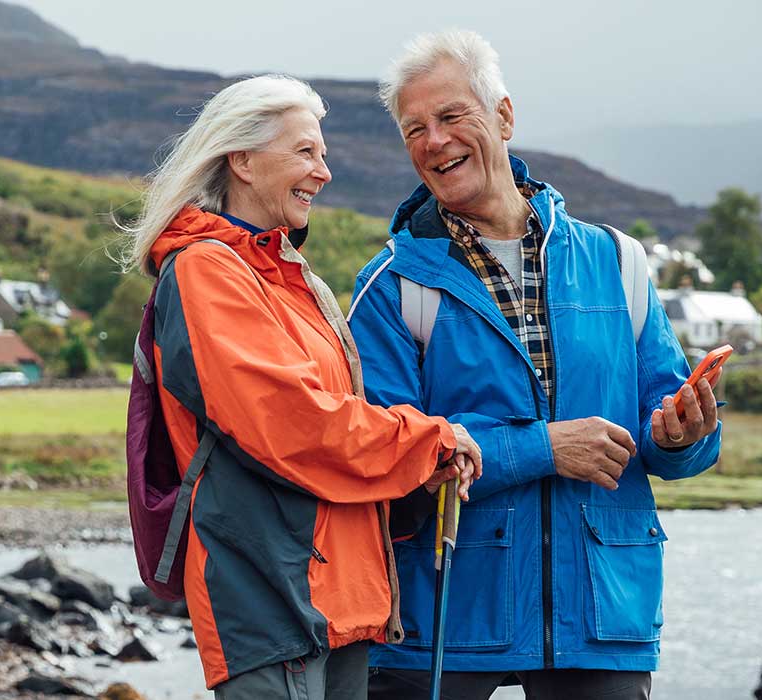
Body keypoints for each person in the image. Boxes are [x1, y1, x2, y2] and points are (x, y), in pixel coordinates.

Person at [348, 31, 724, 699]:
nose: (435, 140)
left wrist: (682, 436)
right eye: (415, 129)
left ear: (504, 116)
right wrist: (544, 448)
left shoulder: (618, 261)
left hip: (601, 616)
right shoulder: (391, 287)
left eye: (452, 115)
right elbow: (385, 460)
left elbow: (670, 437)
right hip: (441, 618)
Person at [121, 74, 484, 699]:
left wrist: (419, 468)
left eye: (323, 153)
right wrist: (428, 441)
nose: (324, 171)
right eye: (305, 152)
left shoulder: (290, 278)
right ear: (242, 161)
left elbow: (335, 423)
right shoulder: (206, 270)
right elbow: (291, 423)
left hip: (340, 601)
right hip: (271, 597)